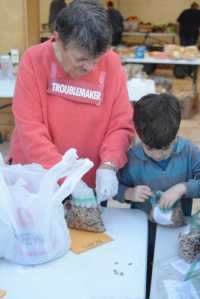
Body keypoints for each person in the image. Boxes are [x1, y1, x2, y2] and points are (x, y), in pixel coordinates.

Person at [8, 0, 134, 204]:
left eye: (97, 59)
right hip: (39, 177)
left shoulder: (111, 63)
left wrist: (109, 164)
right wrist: (67, 177)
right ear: (58, 39)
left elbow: (121, 123)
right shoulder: (34, 60)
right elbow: (30, 130)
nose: (91, 67)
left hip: (89, 180)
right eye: (81, 59)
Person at [115, 93, 200, 216]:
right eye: (149, 149)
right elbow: (113, 187)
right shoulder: (132, 158)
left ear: (175, 136)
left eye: (165, 148)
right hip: (141, 226)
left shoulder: (189, 152)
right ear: (139, 136)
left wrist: (183, 188)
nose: (158, 156)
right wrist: (129, 193)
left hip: (177, 228)